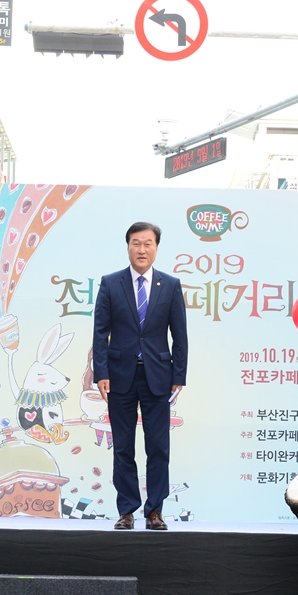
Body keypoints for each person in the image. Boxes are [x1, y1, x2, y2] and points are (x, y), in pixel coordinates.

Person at [91, 222, 188, 530]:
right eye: (136, 243)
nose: (142, 249)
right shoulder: (110, 283)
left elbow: (180, 335)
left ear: (156, 248)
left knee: (158, 447)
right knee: (122, 447)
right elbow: (100, 332)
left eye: (148, 243)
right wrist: (100, 372)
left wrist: (180, 375)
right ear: (128, 246)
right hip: (119, 377)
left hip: (159, 376)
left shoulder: (170, 285)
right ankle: (127, 510)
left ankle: (155, 511)